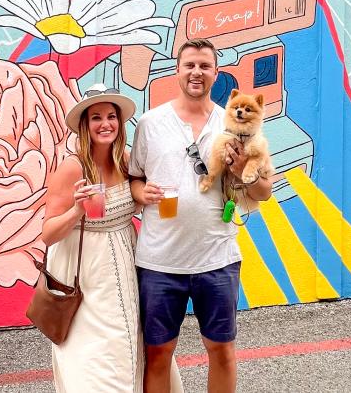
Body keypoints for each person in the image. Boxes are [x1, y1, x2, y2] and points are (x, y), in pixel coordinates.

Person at [129, 39, 273, 393]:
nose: (197, 72)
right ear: (177, 70)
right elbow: (134, 176)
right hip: (160, 260)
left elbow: (263, 193)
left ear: (216, 73)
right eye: (189, 65)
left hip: (217, 257)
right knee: (159, 352)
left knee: (222, 349)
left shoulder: (235, 125)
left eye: (204, 66)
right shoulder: (150, 123)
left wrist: (242, 170)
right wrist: (138, 192)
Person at [41, 84, 182, 393]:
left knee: (130, 344)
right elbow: (48, 233)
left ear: (119, 123)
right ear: (84, 125)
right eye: (96, 118)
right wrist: (77, 210)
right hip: (87, 274)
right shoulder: (72, 167)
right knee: (95, 356)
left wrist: (148, 195)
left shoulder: (125, 160)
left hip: (127, 264)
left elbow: (138, 192)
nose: (105, 124)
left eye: (111, 117)